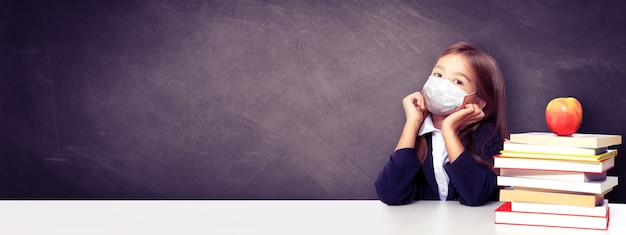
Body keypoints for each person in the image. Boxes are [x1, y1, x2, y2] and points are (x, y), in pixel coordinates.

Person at [375, 41, 509, 206]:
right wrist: (412, 123)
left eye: (458, 81)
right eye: (438, 75)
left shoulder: (487, 135)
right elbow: (390, 194)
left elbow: (476, 195)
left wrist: (449, 131)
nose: (441, 85)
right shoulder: (420, 134)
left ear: (479, 102)